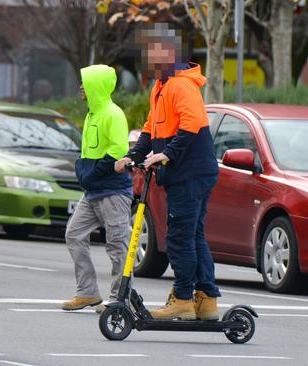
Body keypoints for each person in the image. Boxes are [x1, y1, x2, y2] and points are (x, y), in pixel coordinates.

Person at [115, 23, 221, 320]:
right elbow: (151, 128)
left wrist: (166, 154)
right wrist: (132, 154)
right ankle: (207, 299)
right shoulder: (160, 86)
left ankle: (184, 298)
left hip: (191, 173)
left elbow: (193, 123)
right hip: (187, 173)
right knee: (192, 235)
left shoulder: (181, 84)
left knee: (179, 238)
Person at [61, 64, 133, 314]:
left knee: (117, 246)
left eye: (85, 82)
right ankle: (88, 292)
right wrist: (82, 170)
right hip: (93, 191)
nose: (81, 87)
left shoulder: (113, 114)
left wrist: (90, 172)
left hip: (113, 192)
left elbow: (117, 150)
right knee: (74, 234)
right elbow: (88, 152)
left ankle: (119, 299)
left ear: (97, 86)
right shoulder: (93, 113)